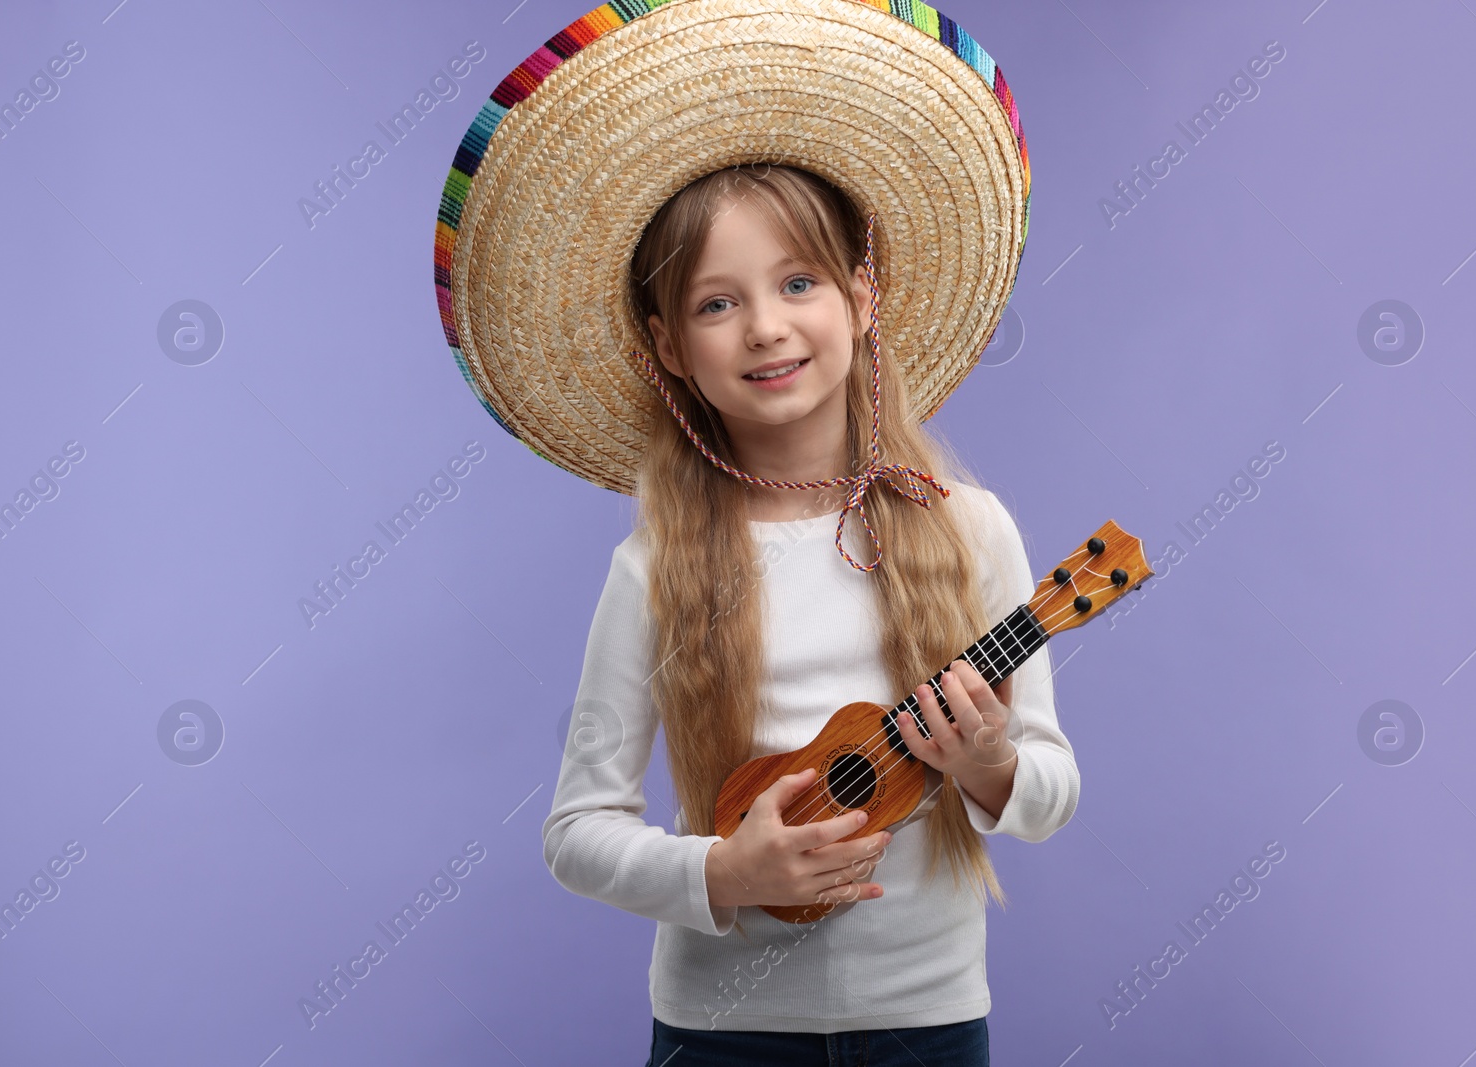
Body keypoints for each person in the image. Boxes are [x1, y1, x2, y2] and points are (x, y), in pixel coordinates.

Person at [432, 2, 1079, 1062]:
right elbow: (575, 831)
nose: (767, 327)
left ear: (862, 294)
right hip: (719, 1033)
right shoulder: (655, 568)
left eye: (797, 282)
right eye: (715, 302)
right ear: (668, 346)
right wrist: (721, 876)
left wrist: (991, 762)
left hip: (925, 1024)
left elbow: (1048, 794)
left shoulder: (970, 531)